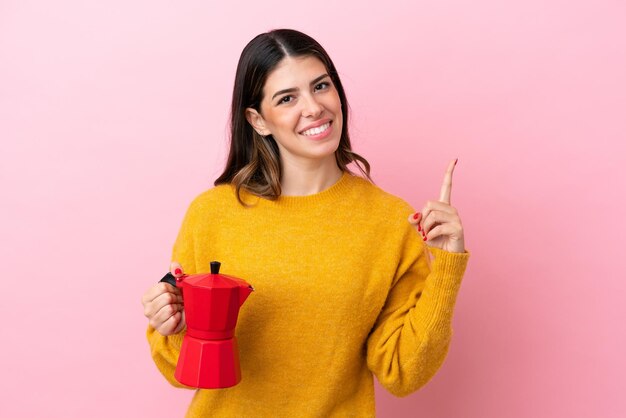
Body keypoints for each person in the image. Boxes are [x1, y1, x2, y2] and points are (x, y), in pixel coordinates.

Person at [141, 28, 470, 417]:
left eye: (321, 86)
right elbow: (184, 372)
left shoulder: (390, 222)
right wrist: (172, 324)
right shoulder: (212, 215)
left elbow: (403, 372)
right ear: (257, 120)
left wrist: (447, 266)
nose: (313, 107)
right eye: (287, 98)